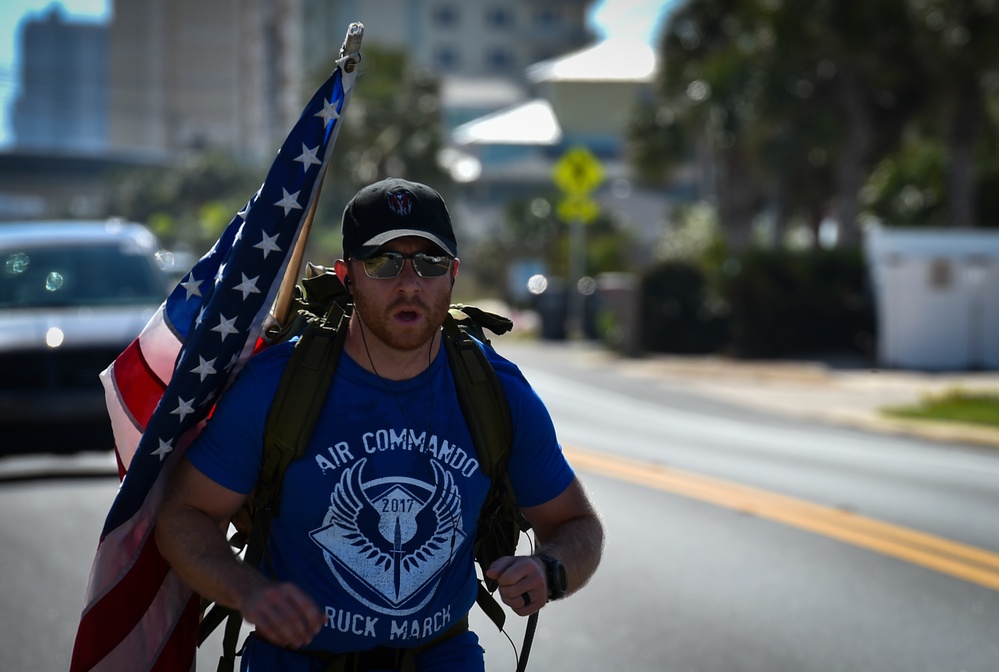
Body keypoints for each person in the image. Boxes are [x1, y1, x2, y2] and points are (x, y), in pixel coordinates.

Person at [156, 177, 604, 671]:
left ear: (453, 273)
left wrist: (549, 569)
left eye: (429, 263)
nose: (410, 283)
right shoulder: (275, 387)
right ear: (347, 275)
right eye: (383, 262)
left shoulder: (496, 392)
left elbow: (576, 524)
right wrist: (250, 591)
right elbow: (183, 516)